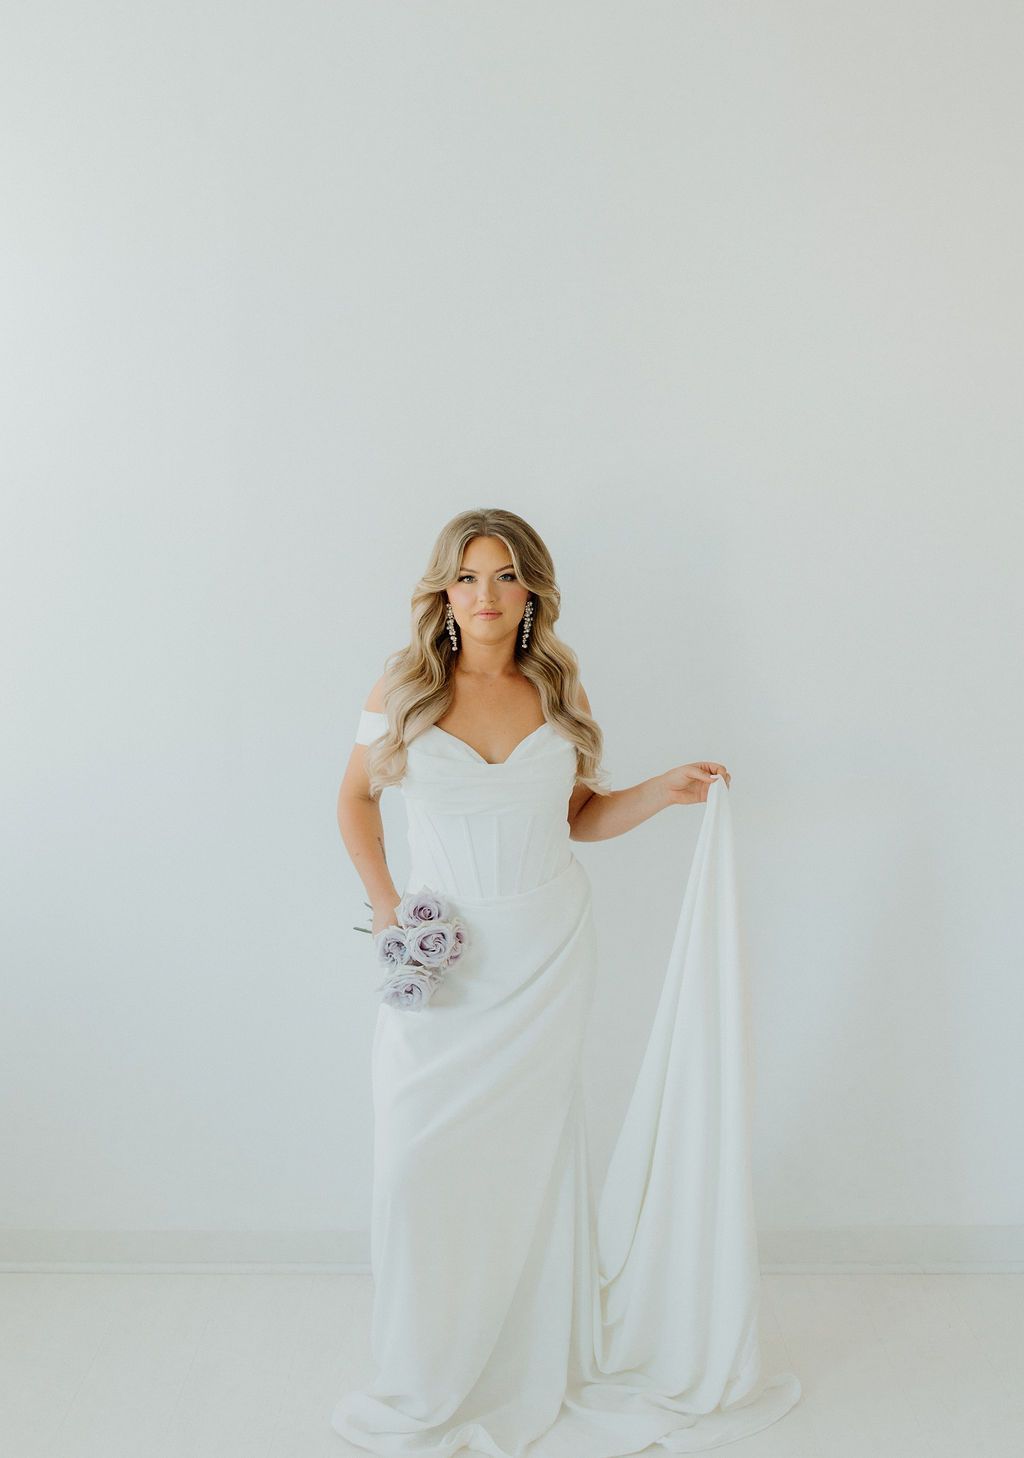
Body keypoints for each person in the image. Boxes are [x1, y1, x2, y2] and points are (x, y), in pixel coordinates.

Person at [332, 508, 801, 1457]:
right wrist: (389, 909)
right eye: (468, 578)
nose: (487, 595)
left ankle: (532, 1355)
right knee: (417, 1166)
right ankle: (429, 1367)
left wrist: (663, 793)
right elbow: (353, 799)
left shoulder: (558, 686)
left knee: (532, 1167)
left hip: (547, 949)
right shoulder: (403, 685)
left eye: (506, 577)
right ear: (444, 590)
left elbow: (575, 815)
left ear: (533, 591)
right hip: (448, 957)